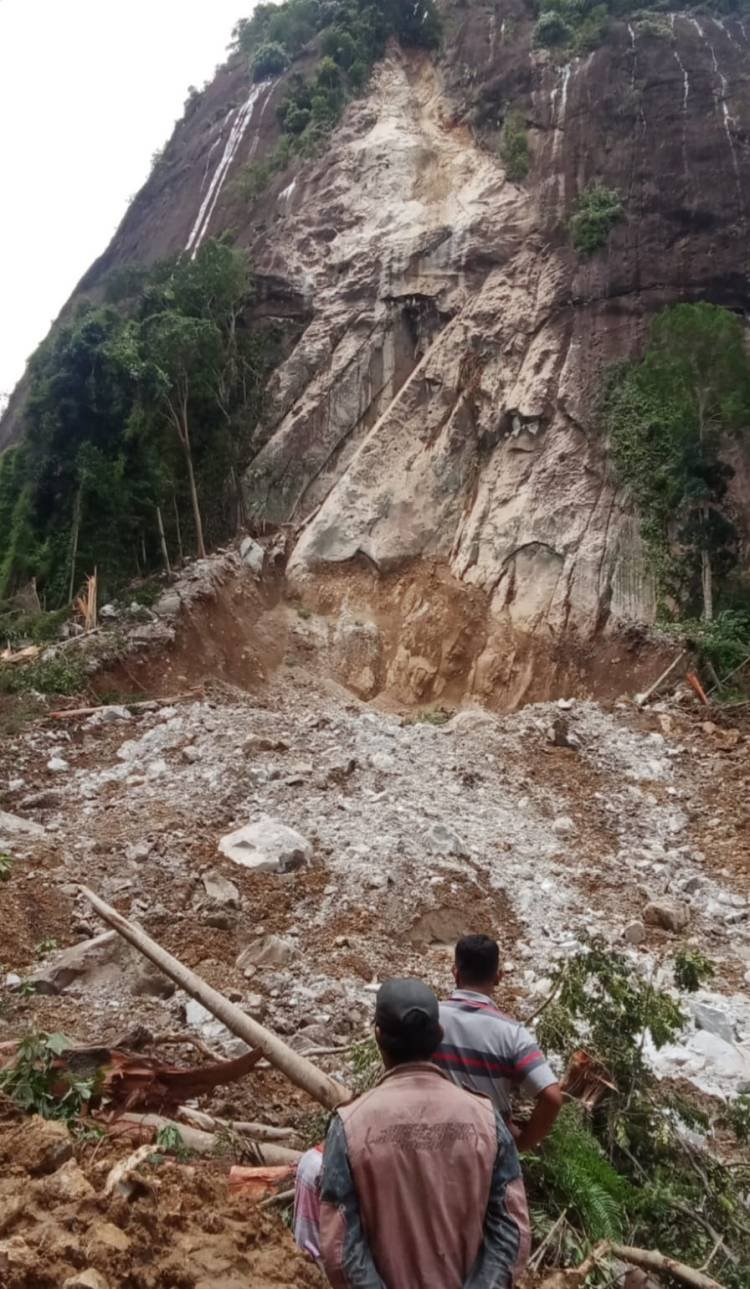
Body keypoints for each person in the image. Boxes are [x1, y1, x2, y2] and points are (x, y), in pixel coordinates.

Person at [311, 977, 530, 1288]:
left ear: (378, 1038)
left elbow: (341, 1249)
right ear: (439, 1035)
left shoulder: (350, 1125)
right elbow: (510, 1231)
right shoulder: (486, 1121)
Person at [434, 935, 562, 1151]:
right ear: (498, 977)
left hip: (433, 1146)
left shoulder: (429, 1018)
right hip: (488, 1153)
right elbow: (552, 1098)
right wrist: (521, 1144)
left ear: (455, 972)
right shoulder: (512, 1034)